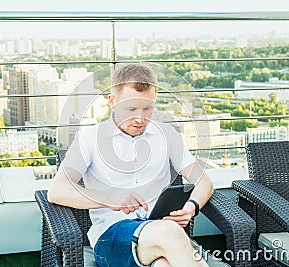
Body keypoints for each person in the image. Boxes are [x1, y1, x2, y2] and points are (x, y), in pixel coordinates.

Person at [48, 63, 213, 267]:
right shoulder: (89, 138)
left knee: (163, 264)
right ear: (112, 102)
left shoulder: (168, 135)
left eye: (147, 108)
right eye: (130, 109)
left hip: (159, 234)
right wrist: (111, 199)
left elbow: (204, 182)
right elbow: (57, 191)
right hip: (112, 236)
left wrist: (191, 207)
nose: (140, 118)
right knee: (171, 233)